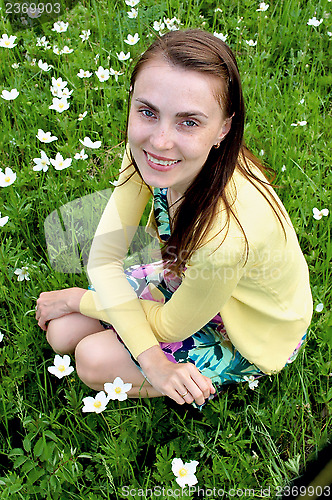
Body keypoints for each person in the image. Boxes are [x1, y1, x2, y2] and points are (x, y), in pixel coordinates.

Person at [35, 29, 313, 408]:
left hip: (248, 325)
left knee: (91, 360)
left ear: (224, 128)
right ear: (132, 102)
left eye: (189, 122)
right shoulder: (147, 153)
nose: (160, 141)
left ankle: (215, 373)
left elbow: (169, 324)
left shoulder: (225, 239)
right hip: (190, 280)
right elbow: (103, 259)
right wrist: (142, 351)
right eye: (147, 112)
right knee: (62, 333)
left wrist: (80, 299)